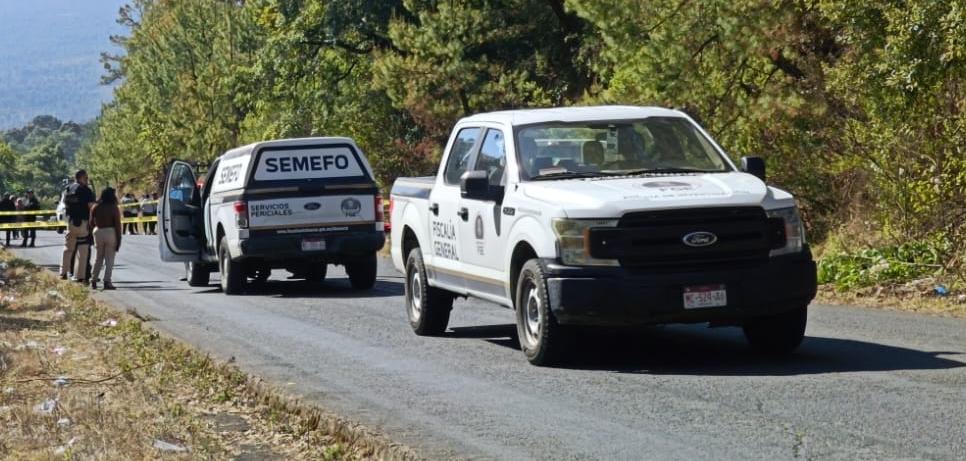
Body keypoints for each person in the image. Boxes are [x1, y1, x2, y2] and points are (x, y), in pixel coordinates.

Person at [60, 170, 96, 282]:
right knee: (83, 250)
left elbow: (64, 204)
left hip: (71, 222)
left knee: (68, 248)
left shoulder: (68, 189)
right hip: (83, 223)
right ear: (81, 178)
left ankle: (63, 273)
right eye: (86, 178)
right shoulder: (86, 190)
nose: (87, 180)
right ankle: (80, 276)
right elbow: (91, 207)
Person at [90, 187, 122, 290]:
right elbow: (117, 225)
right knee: (109, 259)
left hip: (98, 231)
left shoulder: (95, 207)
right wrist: (118, 240)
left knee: (98, 257)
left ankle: (93, 279)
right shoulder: (113, 207)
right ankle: (107, 281)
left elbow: (91, 222)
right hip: (110, 232)